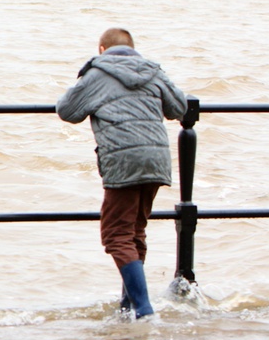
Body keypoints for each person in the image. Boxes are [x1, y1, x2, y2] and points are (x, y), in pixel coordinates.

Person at [56, 27, 187, 319]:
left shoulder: (98, 73)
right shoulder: (153, 71)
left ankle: (143, 309)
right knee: (135, 231)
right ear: (133, 48)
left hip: (123, 159)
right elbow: (179, 107)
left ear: (102, 49)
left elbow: (66, 110)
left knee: (116, 234)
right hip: (156, 159)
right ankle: (128, 306)